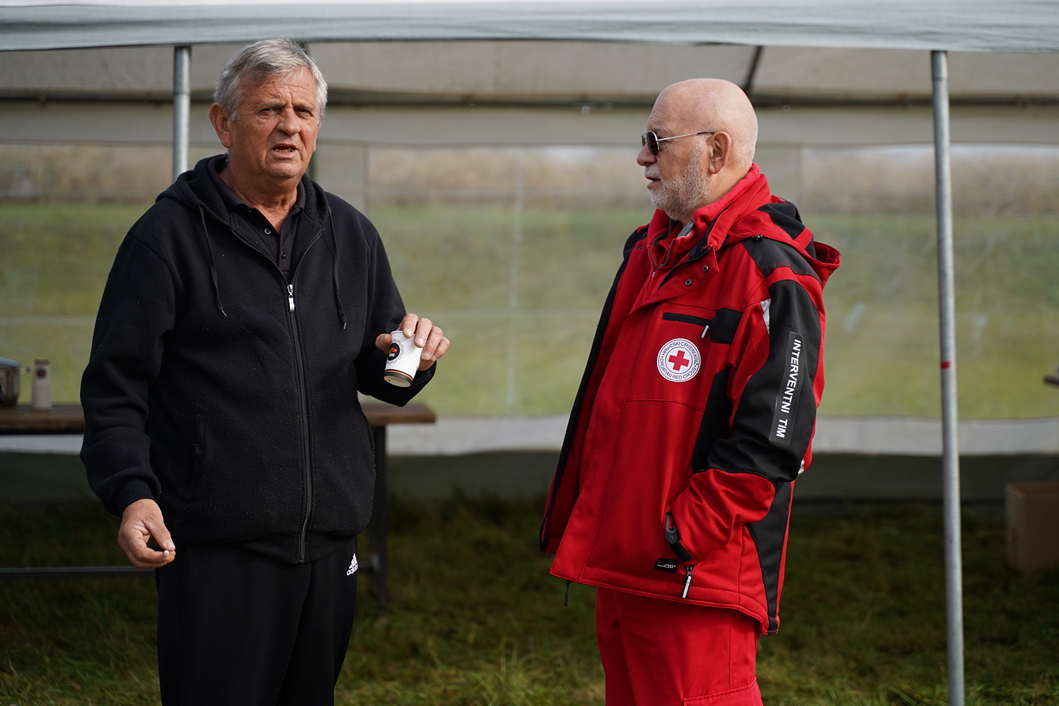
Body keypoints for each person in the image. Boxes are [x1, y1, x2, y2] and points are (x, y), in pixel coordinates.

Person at [80, 38, 449, 706]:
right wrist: (133, 493)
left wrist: (410, 359)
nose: (290, 127)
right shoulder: (165, 238)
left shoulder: (351, 234)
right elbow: (116, 386)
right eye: (269, 110)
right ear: (224, 124)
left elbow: (377, 372)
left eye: (304, 112)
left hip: (329, 539)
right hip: (217, 545)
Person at [539, 78, 840, 705]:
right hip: (626, 564)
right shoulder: (651, 250)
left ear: (715, 150)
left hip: (691, 577)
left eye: (657, 141)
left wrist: (680, 534)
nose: (642, 157)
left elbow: (775, 441)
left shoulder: (771, 273)